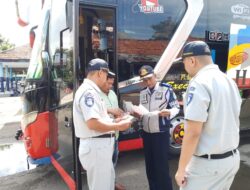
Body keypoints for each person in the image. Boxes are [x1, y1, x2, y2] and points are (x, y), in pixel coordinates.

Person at [175, 41, 242, 190]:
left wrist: (181, 169)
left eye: (184, 62)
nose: (184, 68)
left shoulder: (199, 83)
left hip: (208, 166)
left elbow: (193, 132)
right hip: (231, 159)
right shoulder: (228, 81)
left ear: (192, 60)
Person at [73, 58, 132, 190]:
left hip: (99, 147)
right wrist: (118, 126)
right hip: (96, 148)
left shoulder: (92, 91)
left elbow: (98, 118)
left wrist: (114, 121)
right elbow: (93, 123)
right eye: (106, 75)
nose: (107, 79)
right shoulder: (89, 93)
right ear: (100, 73)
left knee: (107, 185)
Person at [133, 65, 180, 190]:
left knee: (161, 167)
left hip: (160, 133)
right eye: (144, 80)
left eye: (149, 78)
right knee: (150, 167)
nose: (147, 82)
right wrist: (137, 114)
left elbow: (176, 107)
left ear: (154, 76)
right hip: (147, 133)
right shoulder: (143, 93)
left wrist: (169, 112)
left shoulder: (166, 89)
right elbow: (142, 111)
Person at [100, 71, 126, 190]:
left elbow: (116, 110)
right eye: (108, 83)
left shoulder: (113, 94)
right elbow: (94, 114)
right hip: (103, 137)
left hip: (115, 135)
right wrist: (111, 111)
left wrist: (121, 114)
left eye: (112, 84)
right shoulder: (95, 95)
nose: (110, 86)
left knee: (113, 162)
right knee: (104, 166)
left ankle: (112, 183)